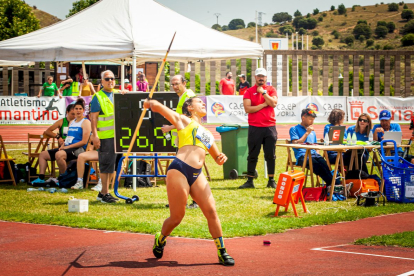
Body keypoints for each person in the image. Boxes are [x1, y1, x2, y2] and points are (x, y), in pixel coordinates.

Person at [144, 97, 235, 266]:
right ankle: (161, 238)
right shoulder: (184, 121)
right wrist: (149, 103)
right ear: (190, 108)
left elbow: (218, 159)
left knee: (212, 211)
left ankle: (222, 252)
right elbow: (158, 107)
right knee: (177, 217)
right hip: (180, 169)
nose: (203, 104)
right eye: (199, 102)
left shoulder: (207, 134)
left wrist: (222, 157)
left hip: (197, 174)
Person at [31, 99, 91, 185]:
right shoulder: (72, 122)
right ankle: (41, 178)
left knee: (59, 154)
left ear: (83, 110)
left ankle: (64, 179)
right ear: (73, 110)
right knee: (43, 154)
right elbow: (68, 137)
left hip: (79, 149)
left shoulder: (85, 122)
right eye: (76, 109)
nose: (78, 111)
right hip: (67, 148)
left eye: (80, 109)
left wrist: (67, 147)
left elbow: (84, 142)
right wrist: (63, 144)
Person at [160, 75, 197, 208]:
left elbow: (187, 121)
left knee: (187, 171)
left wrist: (169, 127)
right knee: (183, 171)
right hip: (183, 139)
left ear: (184, 83)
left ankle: (194, 201)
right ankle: (181, 201)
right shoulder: (184, 96)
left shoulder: (188, 97)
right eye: (173, 84)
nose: (175, 87)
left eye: (177, 84)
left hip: (188, 140)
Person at [239, 68, 278, 189]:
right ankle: (250, 181)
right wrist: (263, 104)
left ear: (266, 78)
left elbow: (273, 104)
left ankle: (271, 180)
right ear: (255, 77)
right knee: (252, 154)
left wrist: (264, 93)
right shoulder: (249, 91)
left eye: (263, 76)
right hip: (255, 127)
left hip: (270, 127)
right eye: (259, 76)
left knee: (270, 155)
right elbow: (248, 109)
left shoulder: (271, 90)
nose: (261, 78)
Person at [90, 70, 123, 203]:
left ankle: (104, 192)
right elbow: (93, 118)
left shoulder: (117, 94)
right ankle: (104, 193)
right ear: (102, 82)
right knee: (105, 165)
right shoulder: (97, 97)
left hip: (118, 136)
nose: (111, 81)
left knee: (114, 166)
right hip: (105, 137)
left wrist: (124, 94)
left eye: (113, 78)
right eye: (107, 79)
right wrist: (95, 136)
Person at [289, 108, 341, 186]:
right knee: (318, 167)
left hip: (315, 155)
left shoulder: (312, 131)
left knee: (325, 166)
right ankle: (335, 185)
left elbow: (315, 145)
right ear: (303, 118)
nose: (312, 122)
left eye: (313, 120)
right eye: (310, 119)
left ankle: (333, 185)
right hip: (302, 156)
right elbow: (295, 144)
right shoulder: (294, 129)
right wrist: (307, 133)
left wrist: (318, 154)